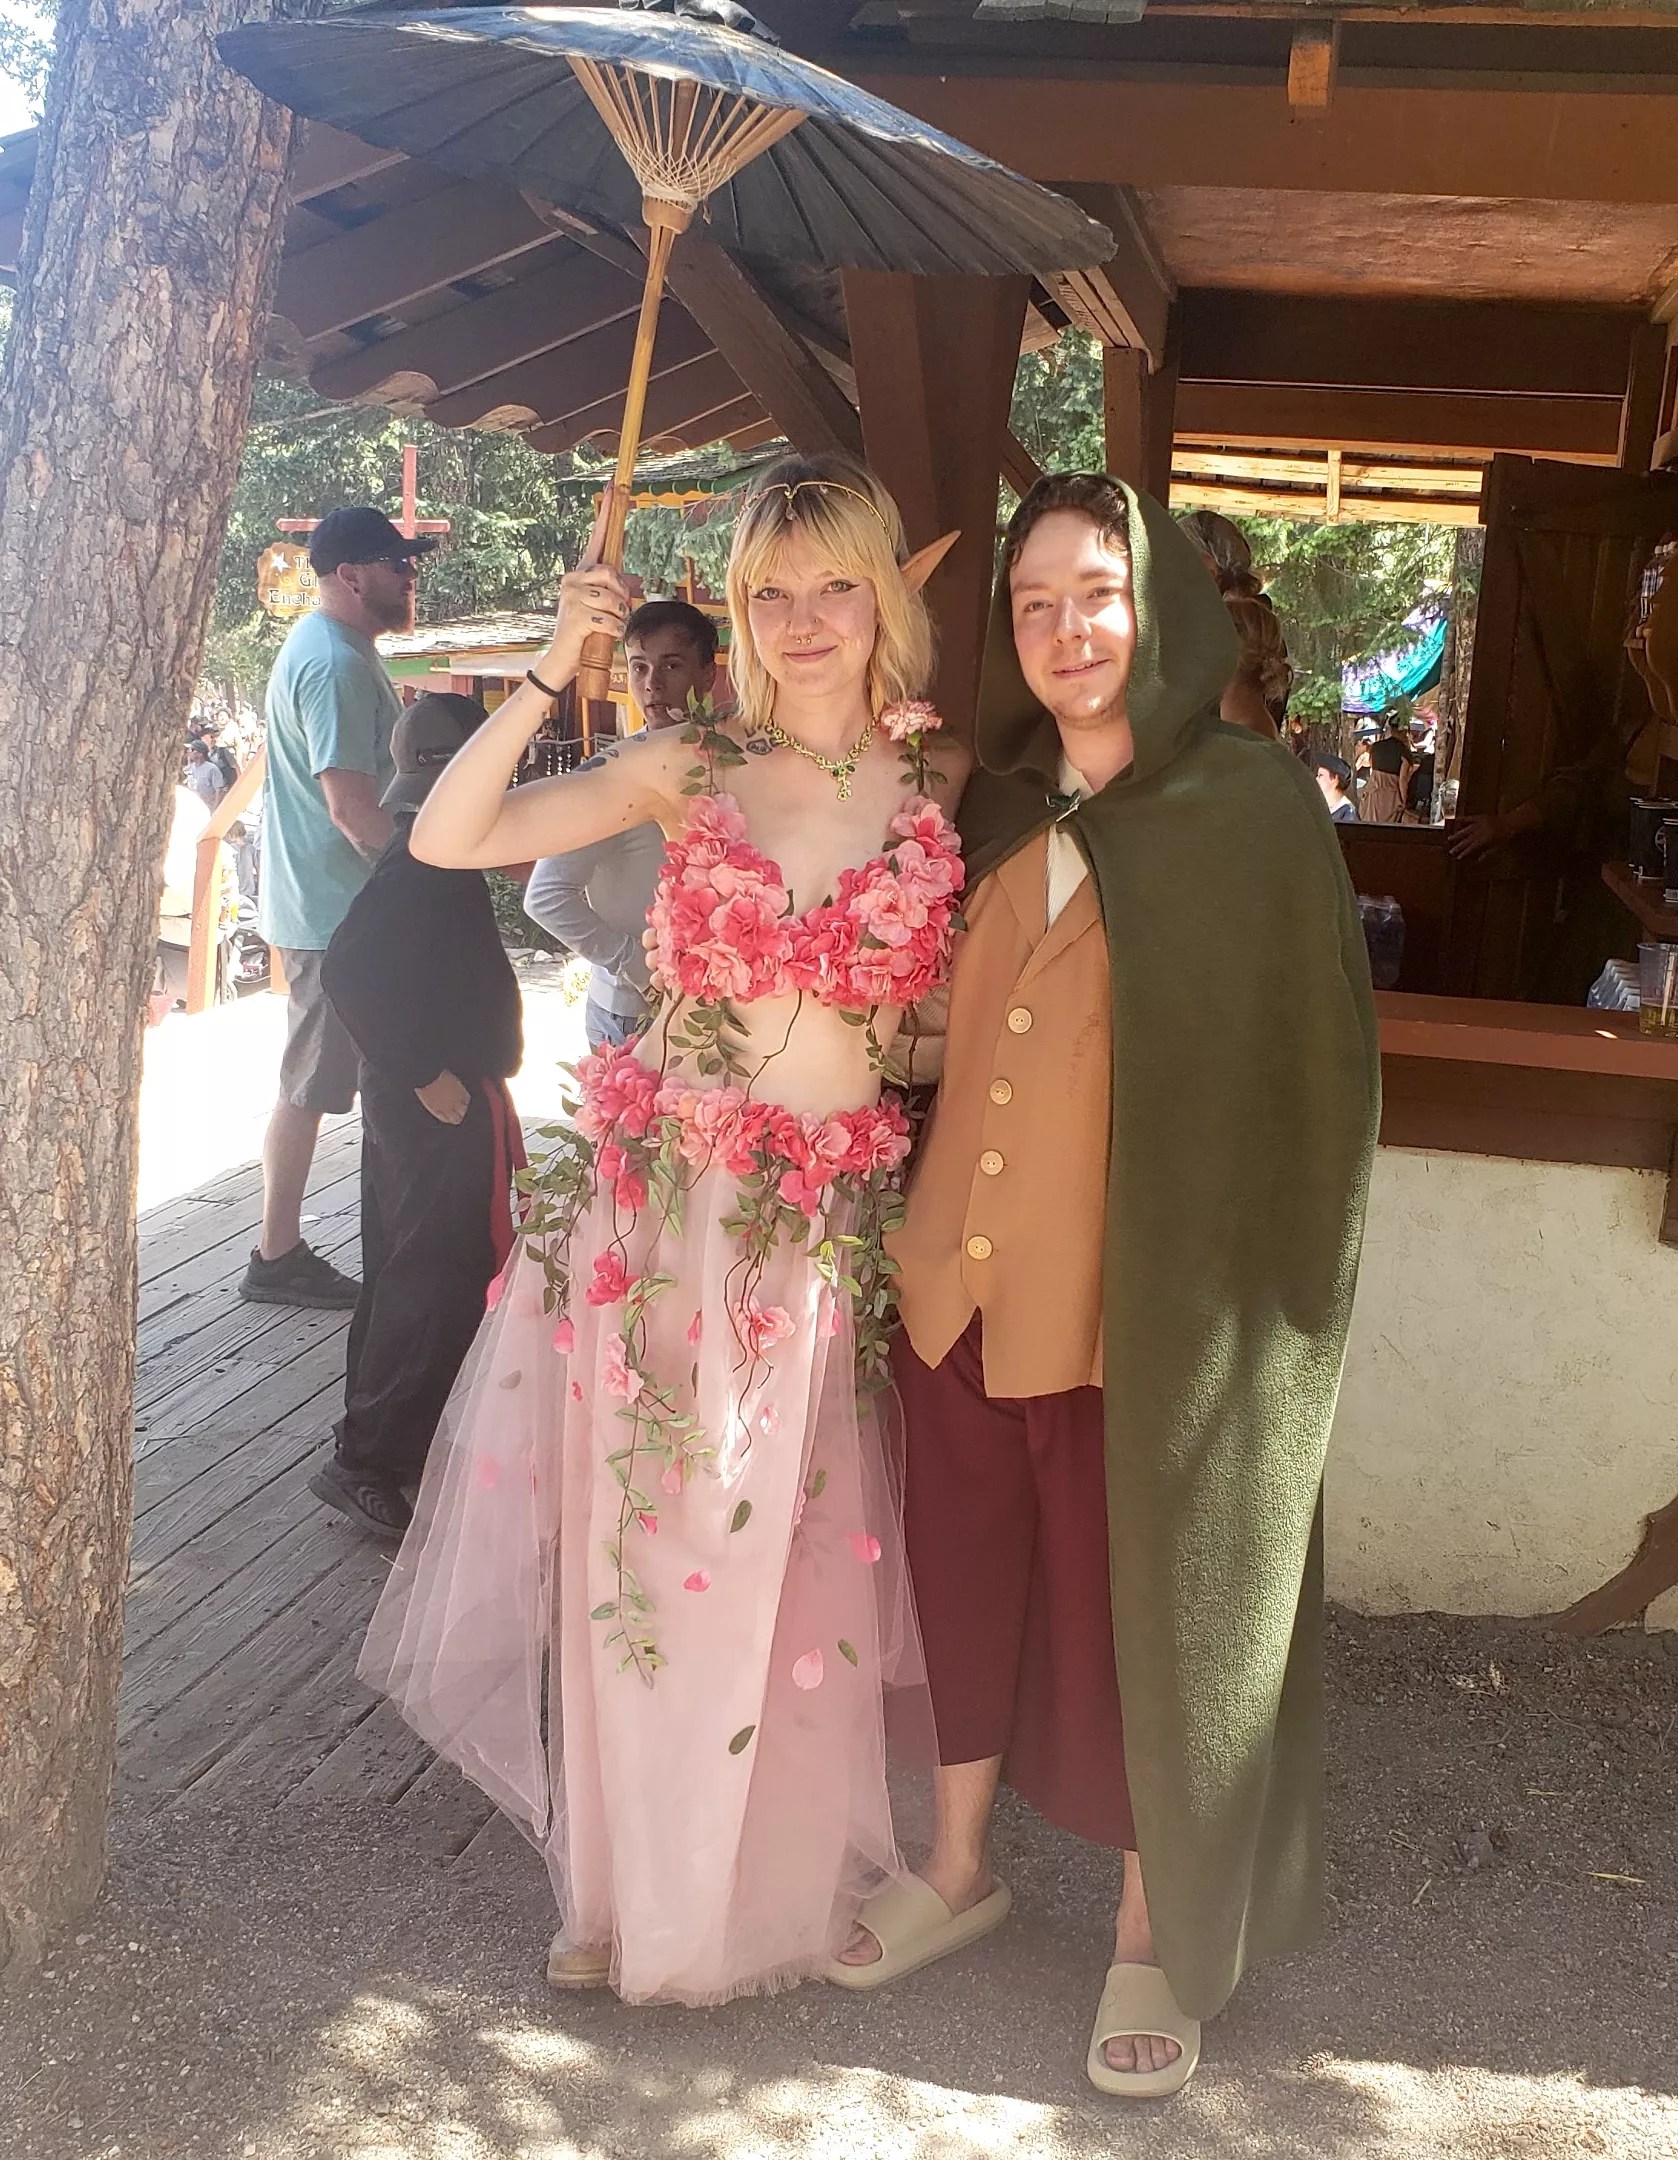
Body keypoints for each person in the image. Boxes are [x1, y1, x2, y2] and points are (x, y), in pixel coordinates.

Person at [358, 454, 965, 2008]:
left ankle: (742, 1879)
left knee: (775, 1560)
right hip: (664, 1211)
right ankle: (619, 1888)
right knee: (643, 1552)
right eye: (770, 592)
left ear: (885, 598)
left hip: (816, 1222)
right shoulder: (686, 765)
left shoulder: (931, 784)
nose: (803, 620)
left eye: (835, 585)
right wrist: (550, 667)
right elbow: (447, 838)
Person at [831, 473, 1378, 2102]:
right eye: (1031, 604)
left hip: (1129, 1314)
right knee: (958, 1576)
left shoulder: (1248, 810)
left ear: (1161, 609)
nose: (1064, 629)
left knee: (1135, 1616)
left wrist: (1233, 1305)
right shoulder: (998, 806)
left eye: (1095, 593)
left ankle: (1148, 1924)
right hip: (954, 1285)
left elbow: (1304, 1086)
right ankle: (955, 1866)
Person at [311, 694, 526, 1543]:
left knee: (418, 1268)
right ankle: (368, 1457)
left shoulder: (435, 848)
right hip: (432, 1096)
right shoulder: (422, 859)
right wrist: (421, 1069)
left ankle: (392, 1441)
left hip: (439, 1091)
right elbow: (350, 968)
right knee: (428, 1276)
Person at [242, 506, 437, 1310]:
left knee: (360, 1079)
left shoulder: (331, 647)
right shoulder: (335, 666)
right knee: (311, 1086)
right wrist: (425, 880)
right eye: (398, 564)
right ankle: (275, 1254)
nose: (410, 577)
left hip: (332, 907)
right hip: (340, 915)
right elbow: (353, 809)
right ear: (352, 576)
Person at [524, 599, 720, 1048]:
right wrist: (639, 967)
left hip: (722, 1002)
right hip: (633, 1011)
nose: (653, 684)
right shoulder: (610, 775)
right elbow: (546, 896)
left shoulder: (732, 765)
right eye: (639, 667)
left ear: (707, 676)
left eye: (672, 665)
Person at [1359, 714, 1416, 825]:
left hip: (1372, 793)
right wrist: (1404, 800)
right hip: (1390, 797)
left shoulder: (1375, 747)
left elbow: (1372, 767)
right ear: (1405, 731)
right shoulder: (1404, 751)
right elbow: (1403, 779)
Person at [1315, 751, 1360, 822]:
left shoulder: (1347, 814)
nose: (1316, 779)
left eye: (1321, 775)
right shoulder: (1324, 808)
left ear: (1334, 778)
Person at [184, 738, 226, 811]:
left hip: (209, 808)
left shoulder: (212, 769)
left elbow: (220, 791)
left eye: (192, 750)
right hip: (193, 808)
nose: (188, 752)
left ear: (200, 754)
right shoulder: (190, 768)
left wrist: (214, 809)